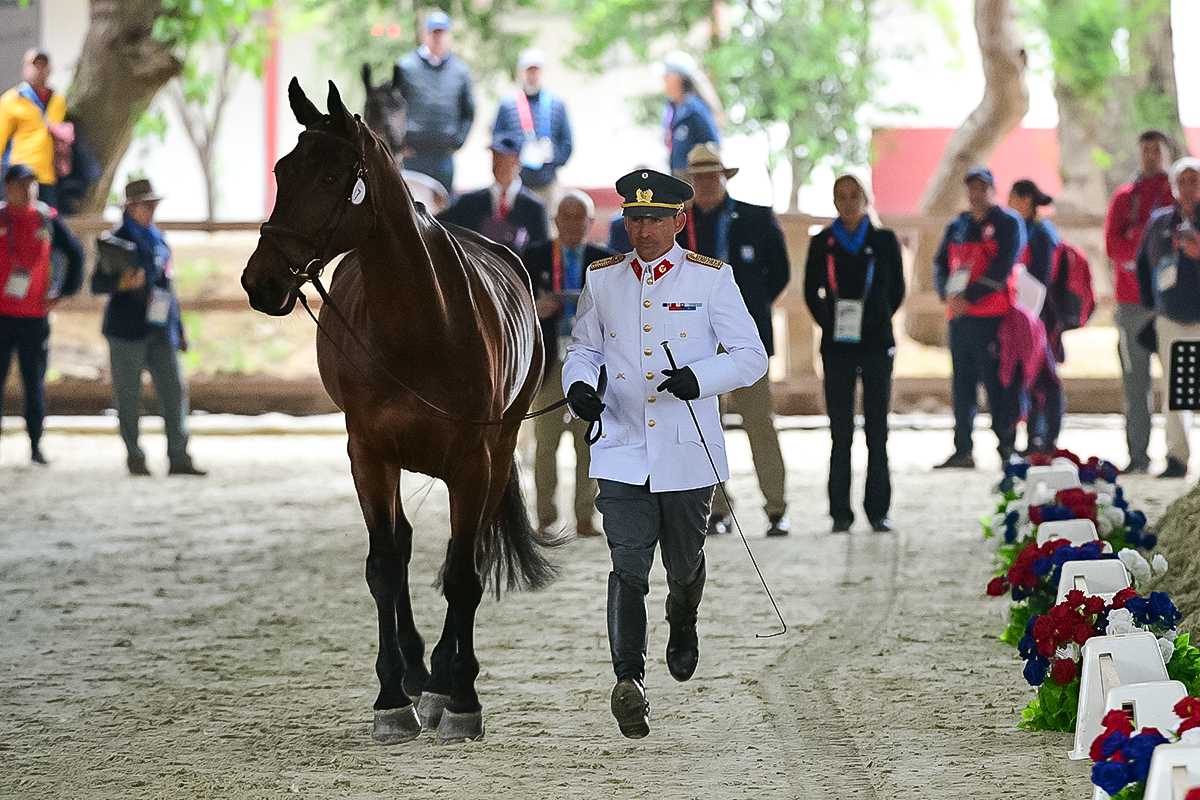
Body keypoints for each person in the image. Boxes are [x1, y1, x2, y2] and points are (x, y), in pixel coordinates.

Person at [562, 169, 767, 739]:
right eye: (634, 219)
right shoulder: (603, 278)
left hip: (685, 450)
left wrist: (701, 378)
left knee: (682, 563)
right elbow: (585, 348)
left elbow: (752, 356)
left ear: (679, 221)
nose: (643, 230)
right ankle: (628, 679)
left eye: (654, 220)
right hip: (621, 445)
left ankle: (684, 616)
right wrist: (579, 385)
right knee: (627, 564)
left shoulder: (711, 278)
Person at [678, 143, 791, 537]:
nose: (706, 182)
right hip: (697, 340)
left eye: (712, 175)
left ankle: (776, 508)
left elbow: (779, 274)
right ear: (690, 181)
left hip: (744, 339)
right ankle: (717, 508)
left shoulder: (756, 218)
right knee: (706, 424)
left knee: (759, 421)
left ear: (724, 177)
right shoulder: (678, 224)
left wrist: (741, 315)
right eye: (699, 177)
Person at [804, 173, 905, 532]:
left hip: (876, 343)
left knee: (877, 430)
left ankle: (878, 511)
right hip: (838, 347)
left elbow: (897, 290)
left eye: (854, 195)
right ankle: (840, 513)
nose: (848, 203)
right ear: (834, 201)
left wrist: (876, 316)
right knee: (840, 431)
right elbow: (810, 291)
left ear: (865, 199)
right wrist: (830, 321)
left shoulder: (884, 240)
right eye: (841, 196)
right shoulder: (823, 242)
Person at [91, 178, 204, 477]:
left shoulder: (158, 239)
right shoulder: (114, 242)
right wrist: (122, 283)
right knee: (128, 396)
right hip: (127, 330)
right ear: (131, 208)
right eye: (146, 204)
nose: (152, 209)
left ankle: (179, 456)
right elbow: (97, 283)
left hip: (161, 328)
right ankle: (135, 456)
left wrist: (179, 328)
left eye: (154, 204)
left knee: (175, 390)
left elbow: (168, 286)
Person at [524, 190, 613, 538]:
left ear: (591, 223)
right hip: (549, 362)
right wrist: (536, 309)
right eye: (567, 217)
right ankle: (545, 517)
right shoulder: (534, 256)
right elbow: (514, 305)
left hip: (591, 363)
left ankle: (585, 517)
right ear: (555, 221)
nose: (573, 224)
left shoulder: (605, 261)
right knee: (546, 442)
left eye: (580, 218)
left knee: (587, 441)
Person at [933, 166, 1025, 468]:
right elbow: (940, 263)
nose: (976, 194)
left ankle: (1006, 446)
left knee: (998, 384)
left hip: (993, 318)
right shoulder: (957, 226)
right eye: (971, 188)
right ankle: (963, 449)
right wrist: (946, 294)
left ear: (992, 190)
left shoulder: (1007, 224)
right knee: (962, 384)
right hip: (959, 319)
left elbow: (1002, 267)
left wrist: (969, 297)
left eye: (982, 188)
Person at [0, 163, 82, 464]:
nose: (28, 190)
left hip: (35, 316)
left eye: (32, 184)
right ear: (8, 188)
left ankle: (35, 445)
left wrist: (64, 291)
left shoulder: (47, 219)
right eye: (22, 185)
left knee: (34, 383)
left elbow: (75, 253)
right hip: (2, 315)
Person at [1105, 130, 1176, 474]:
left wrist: (1140, 248)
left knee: (1178, 382)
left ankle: (1178, 457)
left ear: (1167, 154)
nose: (1151, 155)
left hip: (1170, 306)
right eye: (1145, 149)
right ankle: (1138, 456)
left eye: (1156, 150)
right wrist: (1148, 252)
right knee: (1135, 384)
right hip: (1131, 303)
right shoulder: (1124, 198)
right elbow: (1112, 246)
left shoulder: (1178, 196)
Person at [1136, 157, 1200, 479]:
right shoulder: (1160, 221)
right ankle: (1177, 457)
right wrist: (1154, 306)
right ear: (1173, 187)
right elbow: (1142, 264)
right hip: (1171, 319)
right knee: (1178, 393)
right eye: (1182, 181)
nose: (1188, 187)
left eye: (1194, 180)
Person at [1007, 178, 1064, 455]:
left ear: (1026, 200)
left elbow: (1043, 278)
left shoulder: (1041, 233)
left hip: (1041, 317)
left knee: (1044, 379)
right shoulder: (1021, 229)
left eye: (1013, 198)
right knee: (1025, 378)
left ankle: (1045, 438)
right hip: (1022, 317)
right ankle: (1032, 440)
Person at [394, 11, 475, 195]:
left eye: (442, 33)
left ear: (449, 36)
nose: (438, 38)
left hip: (443, 156)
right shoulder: (406, 66)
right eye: (434, 33)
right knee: (411, 204)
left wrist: (458, 141)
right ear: (425, 35)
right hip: (413, 155)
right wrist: (399, 144)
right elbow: (393, 108)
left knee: (444, 205)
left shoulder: (460, 71)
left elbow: (468, 112)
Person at [437, 135, 548, 255]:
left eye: (503, 157)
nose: (497, 162)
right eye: (494, 156)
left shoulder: (534, 207)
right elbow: (439, 224)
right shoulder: (469, 202)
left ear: (517, 160)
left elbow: (540, 251)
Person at [491, 48, 573, 206]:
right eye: (529, 71)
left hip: (548, 183)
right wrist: (517, 156)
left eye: (536, 71)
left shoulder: (557, 104)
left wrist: (553, 157)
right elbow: (497, 141)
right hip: (517, 183)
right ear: (521, 72)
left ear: (543, 72)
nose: (533, 75)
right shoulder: (507, 105)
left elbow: (567, 142)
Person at [0, 49, 67, 210]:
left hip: (47, 175)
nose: (39, 70)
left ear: (49, 69)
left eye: (43, 65)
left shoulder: (58, 100)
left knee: (47, 219)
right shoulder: (12, 99)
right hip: (20, 173)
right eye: (34, 65)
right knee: (19, 217)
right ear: (26, 69)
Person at [660, 51, 720, 178]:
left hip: (694, 183)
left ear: (677, 78)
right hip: (677, 180)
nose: (662, 79)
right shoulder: (672, 108)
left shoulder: (694, 110)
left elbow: (713, 146)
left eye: (666, 75)